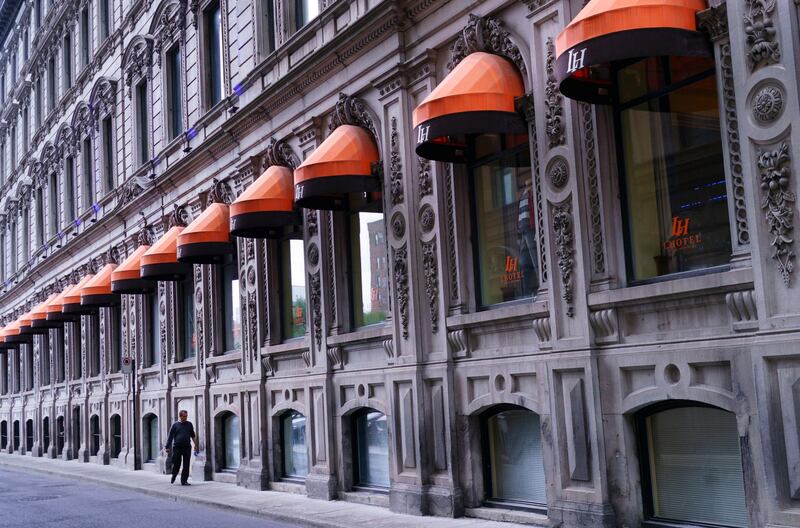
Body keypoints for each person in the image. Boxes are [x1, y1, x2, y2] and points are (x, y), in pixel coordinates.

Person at [165, 410, 198, 485]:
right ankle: (174, 475)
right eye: (184, 416)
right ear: (180, 416)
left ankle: (184, 481)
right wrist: (167, 447)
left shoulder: (189, 424)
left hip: (187, 447)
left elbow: (193, 435)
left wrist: (196, 445)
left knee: (186, 464)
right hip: (177, 447)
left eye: (186, 416)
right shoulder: (175, 425)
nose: (185, 418)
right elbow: (170, 436)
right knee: (177, 463)